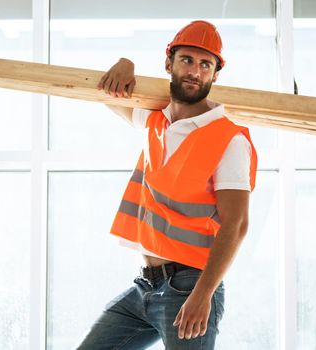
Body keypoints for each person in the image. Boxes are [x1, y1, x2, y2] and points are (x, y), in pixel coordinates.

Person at [77, 20, 258, 350]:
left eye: (206, 64)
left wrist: (203, 295)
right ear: (168, 64)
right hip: (145, 286)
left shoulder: (228, 140)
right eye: (187, 60)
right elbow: (106, 92)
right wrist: (124, 64)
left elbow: (238, 223)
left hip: (190, 287)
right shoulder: (155, 121)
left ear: (216, 75)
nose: (195, 71)